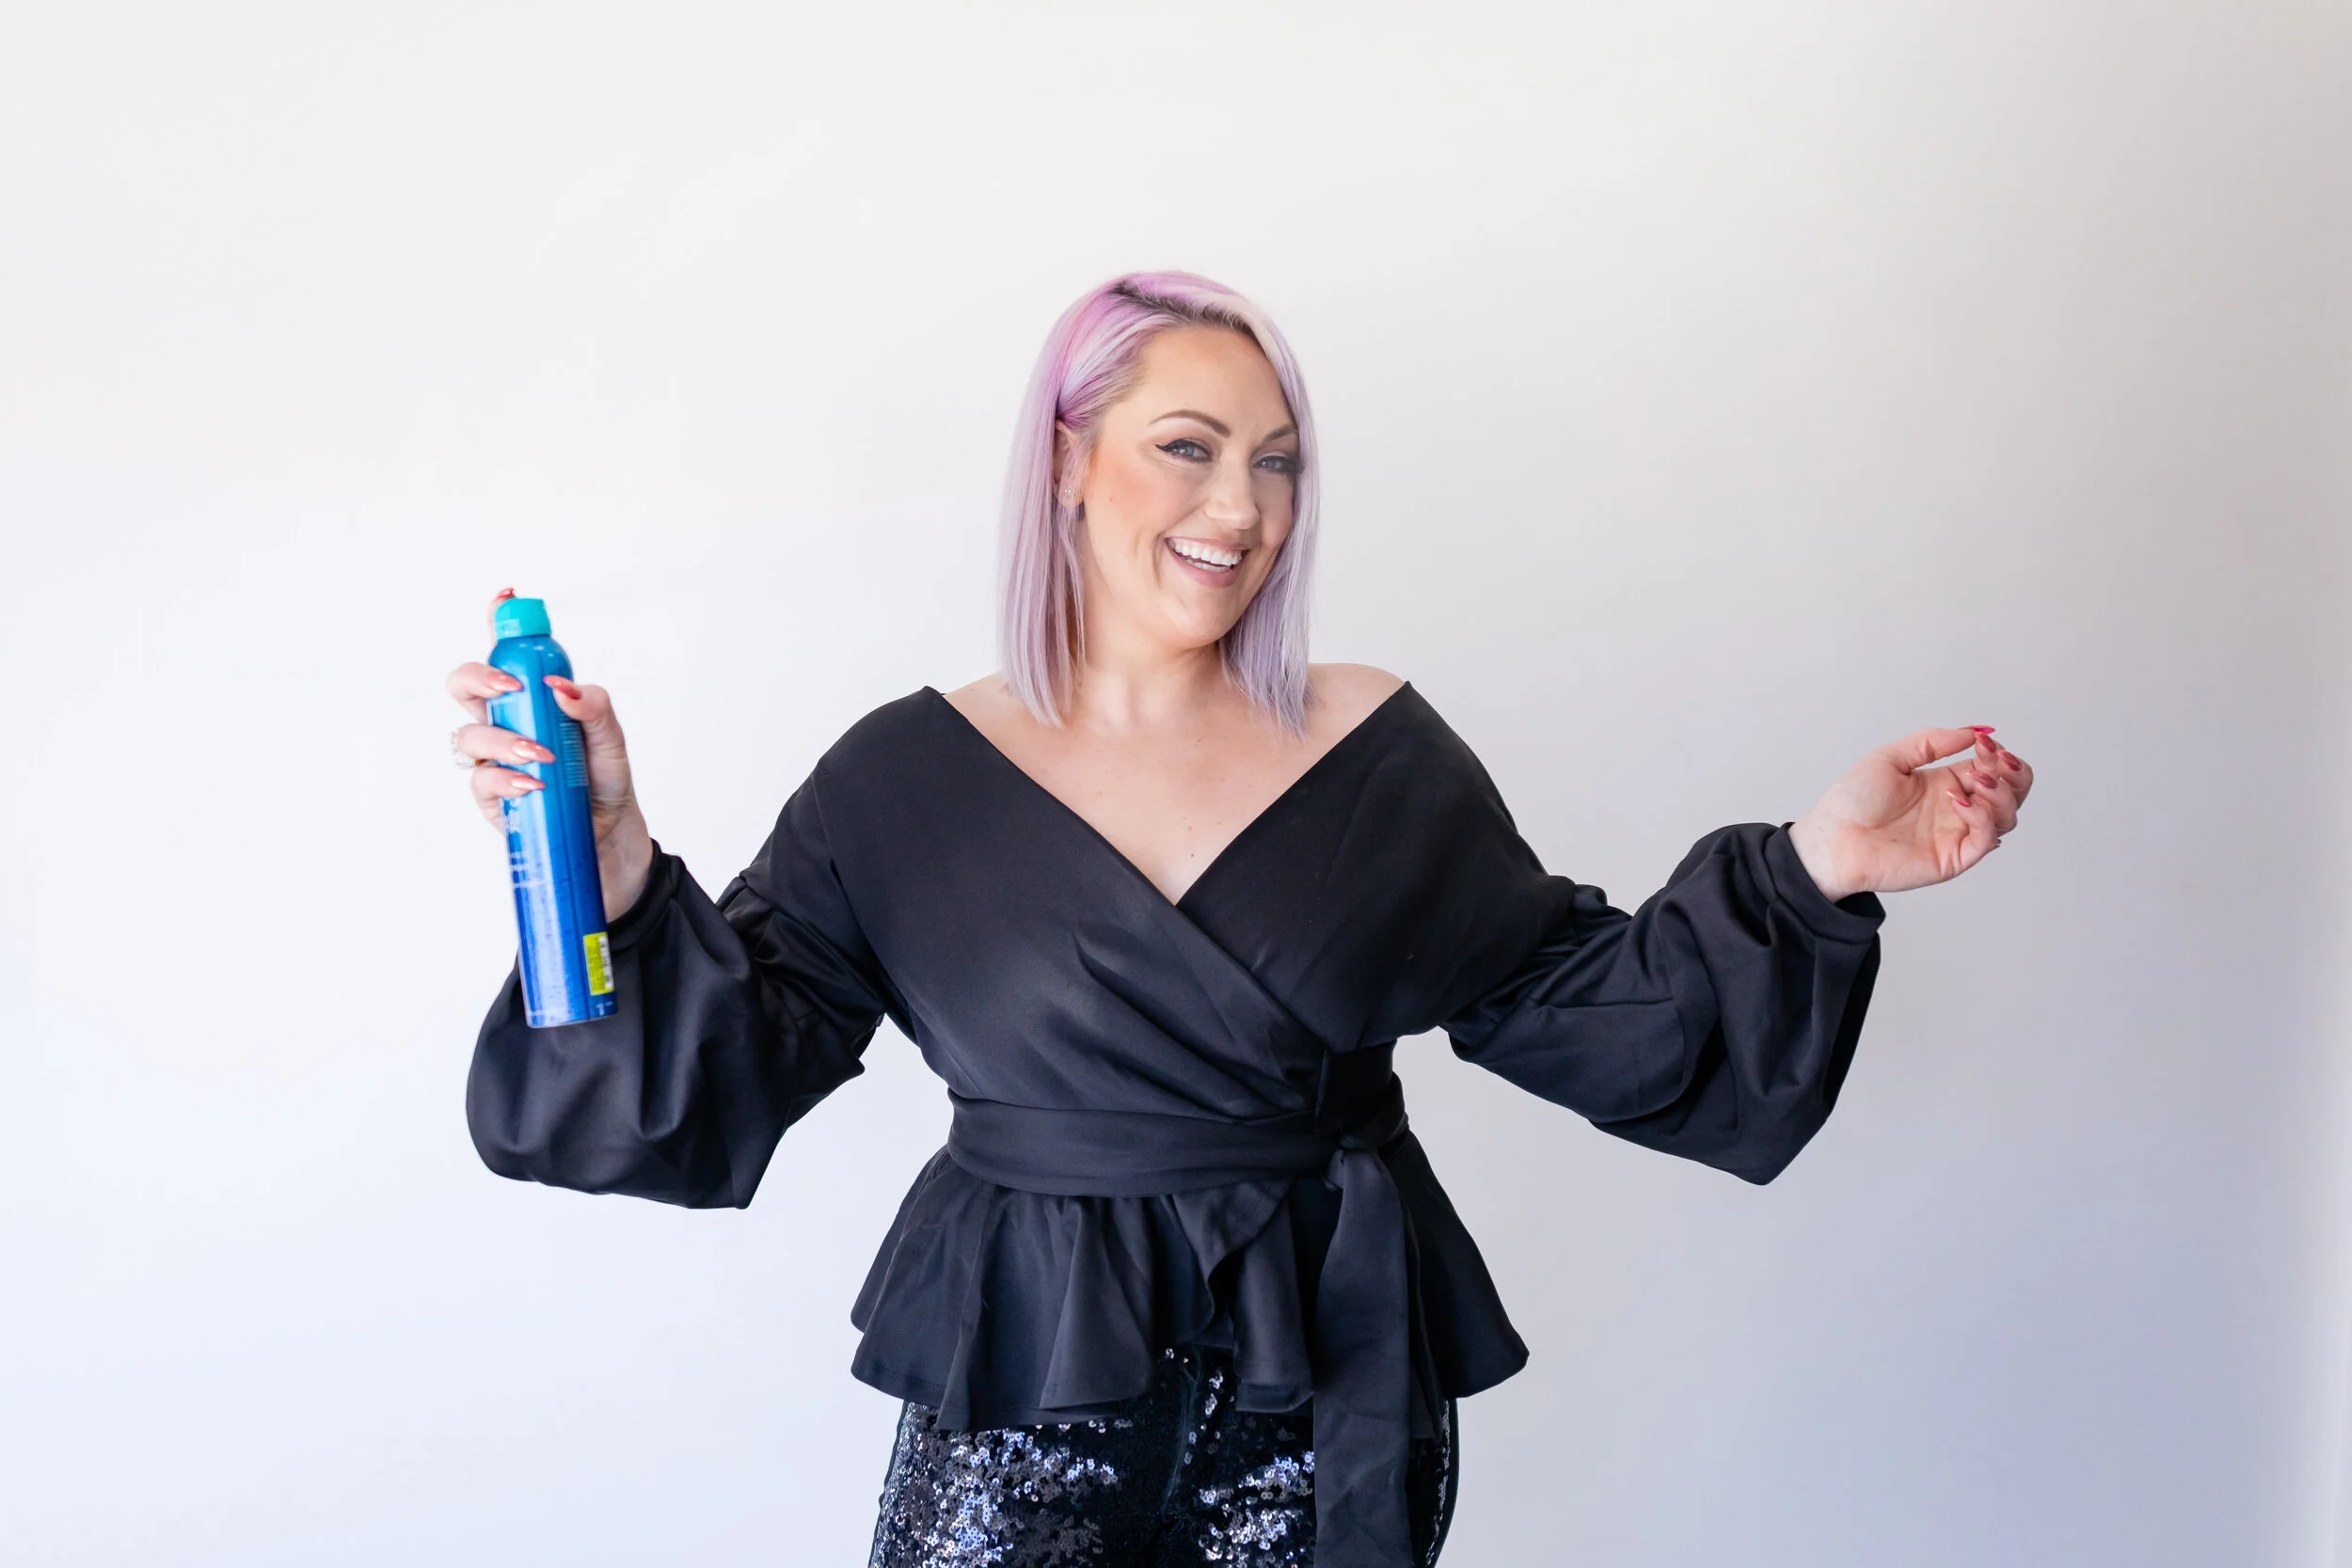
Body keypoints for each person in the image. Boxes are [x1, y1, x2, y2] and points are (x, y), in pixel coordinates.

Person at [445, 272, 2030, 1568]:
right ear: (1068, 459)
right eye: (1189, 447)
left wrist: (1817, 863)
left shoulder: (1373, 745)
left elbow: (1575, 994)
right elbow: (717, 1062)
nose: (1244, 505)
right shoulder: (901, 778)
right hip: (1019, 1390)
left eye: (1278, 461)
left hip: (1323, 1396)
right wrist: (615, 850)